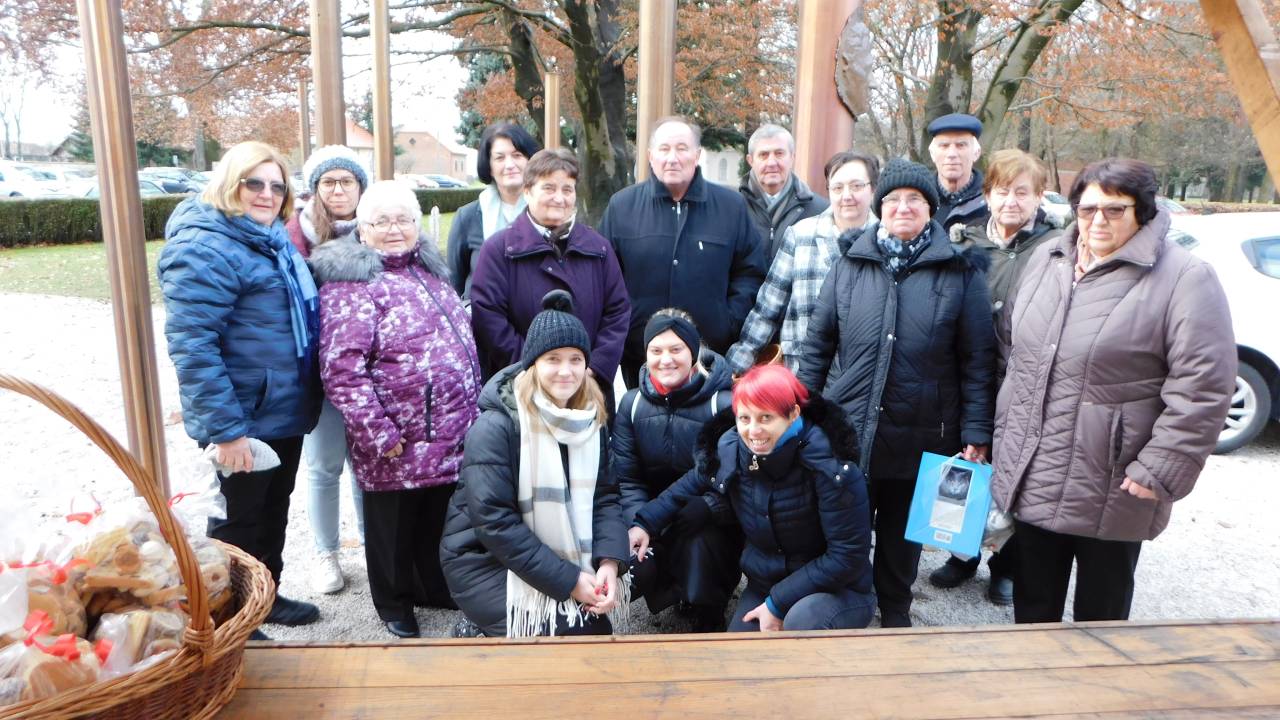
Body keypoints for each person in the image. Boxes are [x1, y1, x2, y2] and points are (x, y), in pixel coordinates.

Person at [992, 158, 1235, 623]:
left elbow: (1203, 387)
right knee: (1032, 609)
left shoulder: (1184, 277)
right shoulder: (1048, 259)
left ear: (1142, 211)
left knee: (1101, 619)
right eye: (1087, 209)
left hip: (1113, 477)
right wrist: (1003, 434)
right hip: (1036, 467)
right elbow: (1011, 351)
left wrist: (1161, 465)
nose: (1098, 221)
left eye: (1115, 209)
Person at [797, 158, 995, 628]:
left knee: (901, 533)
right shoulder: (850, 264)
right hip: (849, 425)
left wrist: (976, 431)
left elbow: (977, 359)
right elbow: (818, 344)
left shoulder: (959, 272)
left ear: (930, 208)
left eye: (915, 199)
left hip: (922, 428)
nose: (903, 208)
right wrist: (803, 410)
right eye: (893, 200)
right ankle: (845, 602)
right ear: (880, 207)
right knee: (844, 523)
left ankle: (896, 609)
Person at [158, 141, 323, 634]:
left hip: (281, 408)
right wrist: (227, 431)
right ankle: (231, 621)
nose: (267, 194)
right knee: (236, 522)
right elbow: (193, 347)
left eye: (277, 186)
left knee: (273, 510)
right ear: (231, 184)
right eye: (255, 183)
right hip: (243, 416)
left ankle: (263, 596)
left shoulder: (269, 239)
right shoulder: (204, 247)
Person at [311, 180, 482, 638]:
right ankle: (393, 602)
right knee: (392, 525)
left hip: (447, 432)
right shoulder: (352, 284)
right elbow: (342, 369)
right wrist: (378, 432)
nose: (394, 229)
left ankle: (430, 586)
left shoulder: (428, 270)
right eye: (381, 221)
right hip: (396, 437)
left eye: (403, 219)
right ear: (362, 229)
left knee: (433, 517)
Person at [440, 292, 628, 638]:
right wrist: (569, 580)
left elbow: (605, 496)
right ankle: (478, 625)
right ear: (533, 365)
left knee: (599, 624)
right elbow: (495, 522)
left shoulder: (590, 419)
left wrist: (609, 562)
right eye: (553, 359)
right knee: (581, 636)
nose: (566, 371)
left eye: (575, 359)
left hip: (554, 551)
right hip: (484, 560)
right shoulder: (496, 427)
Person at [631, 364, 874, 632]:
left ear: (793, 414)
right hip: (766, 584)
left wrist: (777, 604)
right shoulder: (732, 449)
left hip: (835, 590)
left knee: (801, 622)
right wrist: (644, 524)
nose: (754, 431)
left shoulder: (832, 467)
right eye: (744, 418)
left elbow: (846, 556)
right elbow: (686, 486)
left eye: (766, 418)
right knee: (740, 652)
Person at [928, 149, 1065, 606]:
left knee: (1014, 471)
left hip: (1022, 379)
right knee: (966, 461)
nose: (1011, 201)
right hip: (966, 373)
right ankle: (962, 553)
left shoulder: (1055, 248)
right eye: (1003, 191)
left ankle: (1005, 566)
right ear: (987, 194)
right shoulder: (962, 242)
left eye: (1022, 192)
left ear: (1039, 197)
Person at [600, 115, 766, 388]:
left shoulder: (731, 207)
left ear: (697, 155)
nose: (672, 158)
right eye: (664, 149)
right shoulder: (622, 206)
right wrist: (626, 326)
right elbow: (604, 277)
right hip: (640, 356)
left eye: (681, 149)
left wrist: (728, 321)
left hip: (710, 355)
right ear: (650, 156)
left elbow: (749, 273)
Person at [469, 148, 630, 406]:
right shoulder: (500, 250)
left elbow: (618, 311)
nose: (559, 198)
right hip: (524, 391)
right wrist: (534, 369)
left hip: (588, 389)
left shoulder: (598, 248)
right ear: (527, 191)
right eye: (549, 188)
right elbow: (489, 318)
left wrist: (593, 368)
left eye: (567, 189)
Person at [611, 308, 741, 631]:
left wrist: (710, 507)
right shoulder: (631, 404)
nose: (665, 360)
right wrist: (639, 522)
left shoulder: (723, 404)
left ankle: (708, 610)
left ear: (693, 352)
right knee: (635, 555)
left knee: (701, 542)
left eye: (676, 349)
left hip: (706, 512)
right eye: (656, 351)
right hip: (652, 511)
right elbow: (628, 478)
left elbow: (732, 477)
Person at [285, 144, 370, 595]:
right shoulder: (295, 235)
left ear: (360, 187)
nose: (338, 190)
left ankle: (374, 545)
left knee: (367, 464)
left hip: (370, 370)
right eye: (329, 182)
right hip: (318, 370)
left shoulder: (375, 229)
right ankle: (326, 552)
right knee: (323, 465)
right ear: (315, 188)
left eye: (347, 181)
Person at [728, 151, 880, 374]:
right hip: (801, 371)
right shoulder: (800, 235)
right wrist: (734, 369)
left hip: (863, 374)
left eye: (857, 186)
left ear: (873, 189)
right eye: (838, 188)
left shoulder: (886, 241)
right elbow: (767, 310)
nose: (847, 196)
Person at [447, 122, 541, 303]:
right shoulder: (467, 218)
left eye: (517, 155)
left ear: (530, 160)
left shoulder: (547, 214)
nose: (510, 164)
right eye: (499, 158)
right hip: (480, 316)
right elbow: (453, 284)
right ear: (488, 166)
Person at [739, 124, 829, 261]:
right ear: (750, 160)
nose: (771, 163)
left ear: (792, 158)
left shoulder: (820, 211)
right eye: (763, 155)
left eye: (779, 154)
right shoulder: (732, 208)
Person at [927, 113, 988, 231]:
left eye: (961, 145)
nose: (952, 154)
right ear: (932, 154)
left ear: (976, 153)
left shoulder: (992, 201)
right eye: (944, 146)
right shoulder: (920, 201)